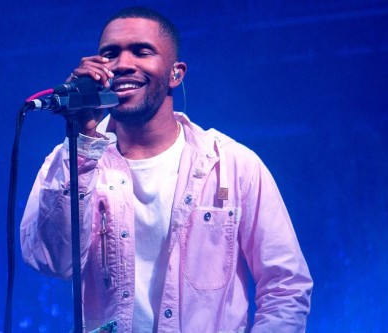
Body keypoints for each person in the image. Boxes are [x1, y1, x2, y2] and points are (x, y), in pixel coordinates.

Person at [20, 6, 313, 333]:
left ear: (176, 73)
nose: (123, 64)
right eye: (110, 54)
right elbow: (53, 262)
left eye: (142, 51)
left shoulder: (231, 164)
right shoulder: (71, 161)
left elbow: (286, 285)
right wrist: (83, 138)